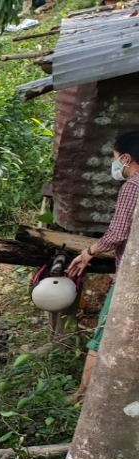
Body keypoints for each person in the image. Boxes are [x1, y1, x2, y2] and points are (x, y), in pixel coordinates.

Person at [67, 131, 139, 400]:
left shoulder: (133, 186)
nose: (115, 163)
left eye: (115, 157)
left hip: (132, 280)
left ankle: (83, 396)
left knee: (103, 336)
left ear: (126, 158)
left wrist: (88, 252)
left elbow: (118, 233)